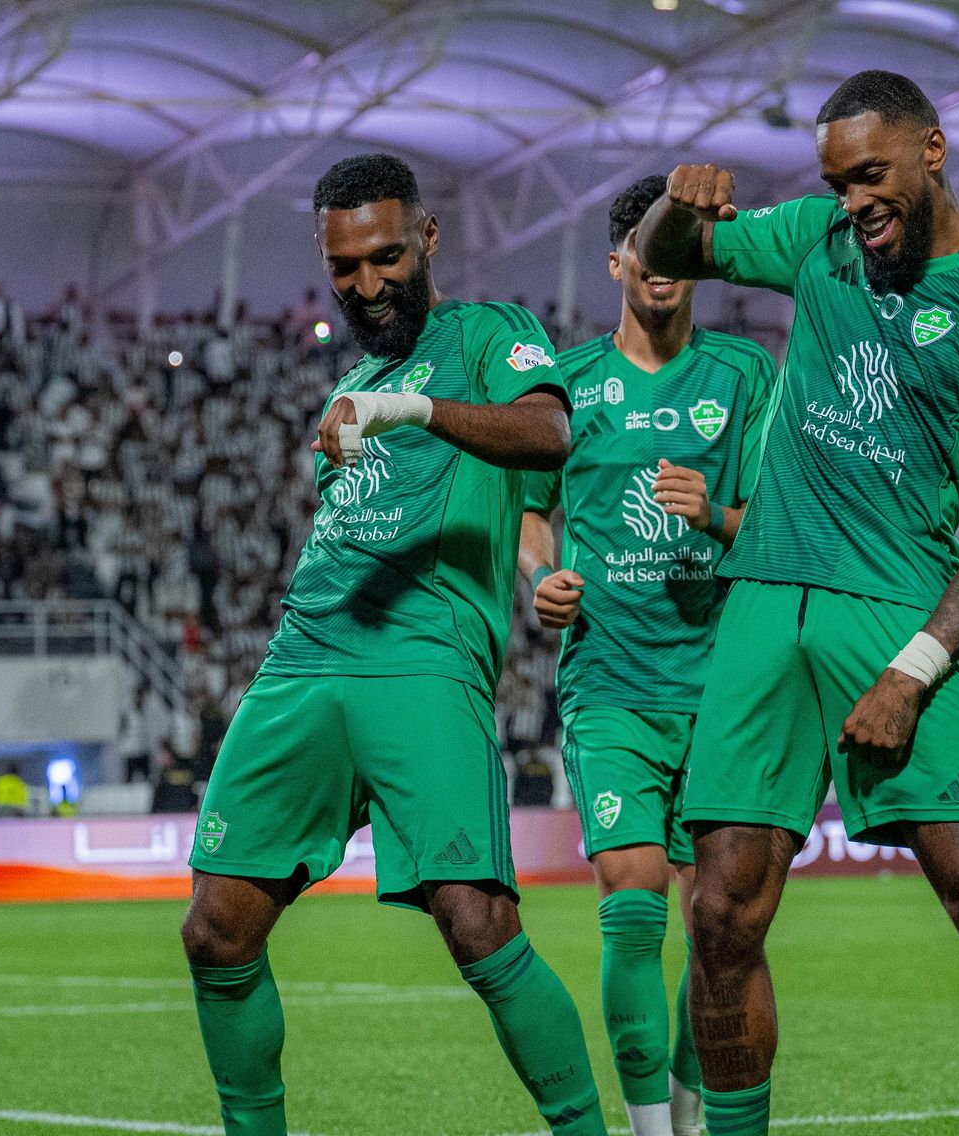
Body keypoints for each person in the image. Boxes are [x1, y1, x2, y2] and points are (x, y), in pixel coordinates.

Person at [637, 71, 959, 1136]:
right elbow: (668, 257)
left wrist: (915, 667)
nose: (853, 201)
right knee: (718, 911)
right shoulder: (816, 241)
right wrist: (676, 199)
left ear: (930, 150)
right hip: (761, 604)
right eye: (836, 181)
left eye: (871, 174)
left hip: (894, 611)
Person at [179, 153, 606, 1136]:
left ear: (426, 239)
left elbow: (547, 435)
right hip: (302, 662)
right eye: (344, 268)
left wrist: (411, 408)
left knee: (478, 923)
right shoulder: (345, 387)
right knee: (216, 930)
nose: (367, 285)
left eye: (384, 257)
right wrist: (350, 430)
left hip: (423, 663)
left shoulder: (489, 335)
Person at [520, 174, 776, 1136]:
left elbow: (779, 530)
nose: (658, 263)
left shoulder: (746, 378)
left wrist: (713, 516)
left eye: (678, 245)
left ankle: (688, 1108)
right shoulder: (570, 384)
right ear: (618, 261)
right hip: (611, 684)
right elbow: (530, 516)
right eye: (639, 244)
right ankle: (646, 1130)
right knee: (633, 900)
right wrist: (539, 581)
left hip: (724, 689)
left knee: (721, 922)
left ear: (695, 259)